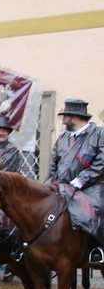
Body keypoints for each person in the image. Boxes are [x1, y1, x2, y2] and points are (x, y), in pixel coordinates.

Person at [45, 98, 104, 263]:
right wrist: (47, 185)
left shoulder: (99, 134)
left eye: (66, 116)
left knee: (96, 211)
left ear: (75, 117)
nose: (63, 120)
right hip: (62, 186)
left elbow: (101, 163)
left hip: (91, 187)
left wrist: (81, 180)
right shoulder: (63, 138)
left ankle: (98, 248)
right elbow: (53, 165)